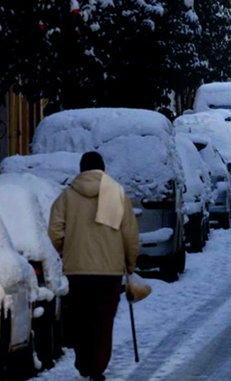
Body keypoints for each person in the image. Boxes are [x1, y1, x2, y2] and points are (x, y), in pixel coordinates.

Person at [48, 151, 140, 381]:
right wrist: (130, 263)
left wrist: (66, 250)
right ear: (103, 170)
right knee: (103, 320)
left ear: (81, 170)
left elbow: (55, 230)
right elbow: (129, 234)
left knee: (81, 317)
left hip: (77, 270)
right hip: (109, 272)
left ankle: (84, 362)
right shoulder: (115, 194)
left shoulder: (67, 196)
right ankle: (97, 367)